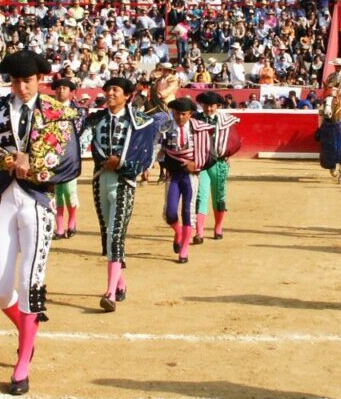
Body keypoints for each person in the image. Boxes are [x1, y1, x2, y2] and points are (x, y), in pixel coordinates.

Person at [0, 49, 81, 395]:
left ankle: (22, 361)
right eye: (16, 81)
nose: (22, 87)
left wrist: (38, 169)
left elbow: (72, 164)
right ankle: (27, 332)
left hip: (40, 203)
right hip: (3, 200)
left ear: (39, 80)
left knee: (30, 281)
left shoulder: (59, 112)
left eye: (27, 81)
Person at [82, 76, 171, 310]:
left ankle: (110, 293)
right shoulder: (95, 120)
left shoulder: (141, 121)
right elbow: (85, 144)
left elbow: (148, 150)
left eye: (116, 90)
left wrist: (121, 163)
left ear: (127, 95)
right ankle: (120, 282)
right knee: (106, 234)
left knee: (116, 235)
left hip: (125, 182)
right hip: (100, 179)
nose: (110, 93)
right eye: (108, 89)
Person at [192, 91, 241, 241]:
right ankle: (199, 232)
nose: (209, 109)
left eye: (212, 106)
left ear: (218, 106)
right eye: (206, 105)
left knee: (219, 196)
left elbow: (232, 141)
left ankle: (218, 227)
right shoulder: (195, 120)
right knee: (201, 196)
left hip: (219, 162)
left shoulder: (225, 120)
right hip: (201, 163)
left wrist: (227, 154)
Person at [158, 97, 199, 263]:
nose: (179, 117)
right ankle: (179, 232)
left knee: (188, 212)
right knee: (170, 213)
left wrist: (197, 164)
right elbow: (158, 149)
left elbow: (207, 152)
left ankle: (184, 249)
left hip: (191, 175)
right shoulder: (165, 128)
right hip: (173, 174)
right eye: (176, 113)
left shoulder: (198, 129)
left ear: (190, 114)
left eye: (183, 114)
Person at [49, 78, 84, 239]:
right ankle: (60, 228)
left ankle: (72, 222)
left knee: (69, 191)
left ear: (71, 92)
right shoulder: (48, 110)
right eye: (58, 88)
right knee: (57, 192)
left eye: (64, 88)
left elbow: (78, 133)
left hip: (70, 155)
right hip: (52, 156)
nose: (60, 90)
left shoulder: (78, 111)